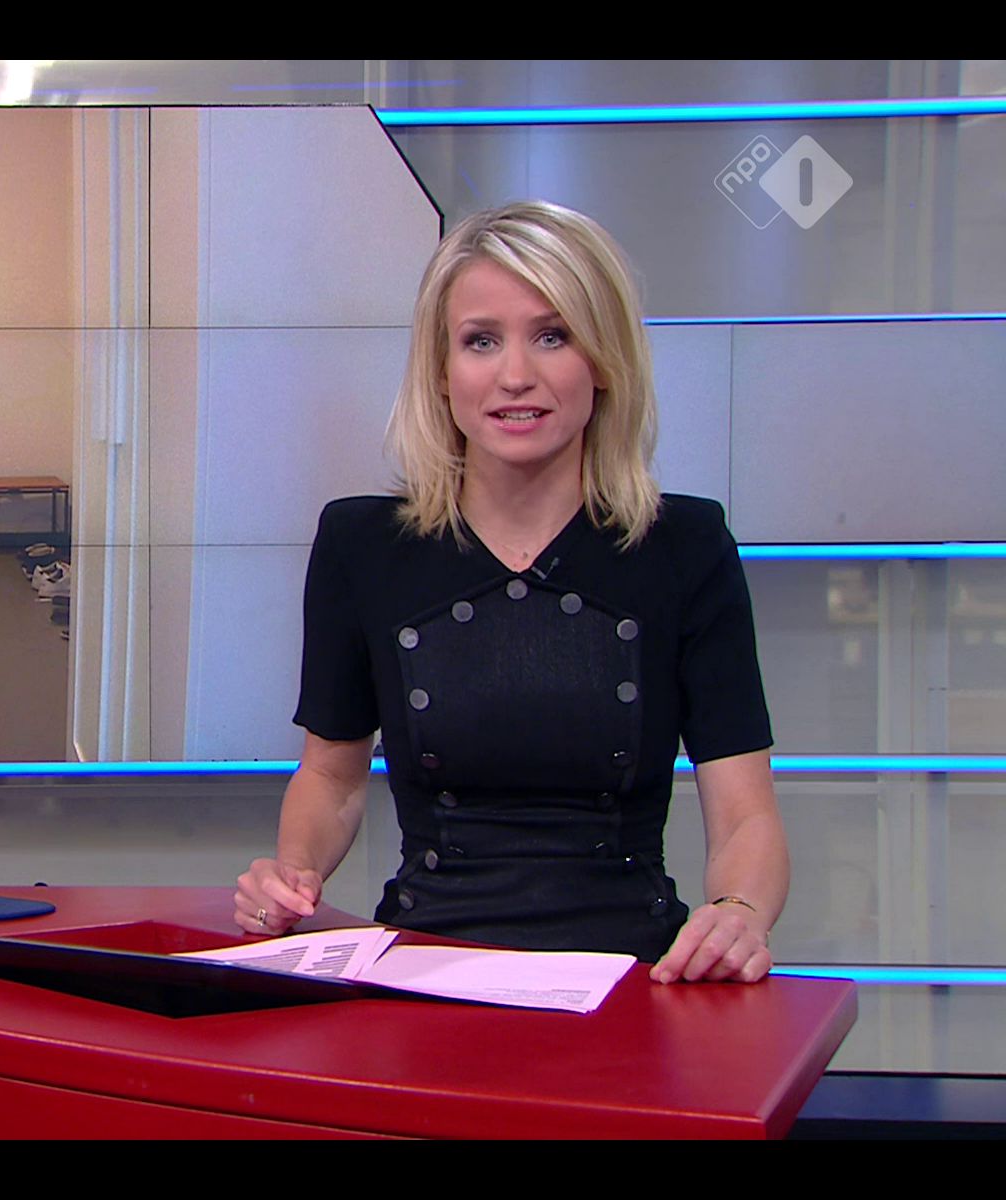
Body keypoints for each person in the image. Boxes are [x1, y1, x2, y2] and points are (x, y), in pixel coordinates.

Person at [234, 200, 787, 984]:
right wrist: (292, 874)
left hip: (632, 974)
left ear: (604, 360)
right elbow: (331, 777)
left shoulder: (685, 547)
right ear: (441, 370)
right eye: (481, 340)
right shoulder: (364, 545)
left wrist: (738, 910)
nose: (515, 375)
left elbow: (745, 812)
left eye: (553, 336)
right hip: (422, 967)